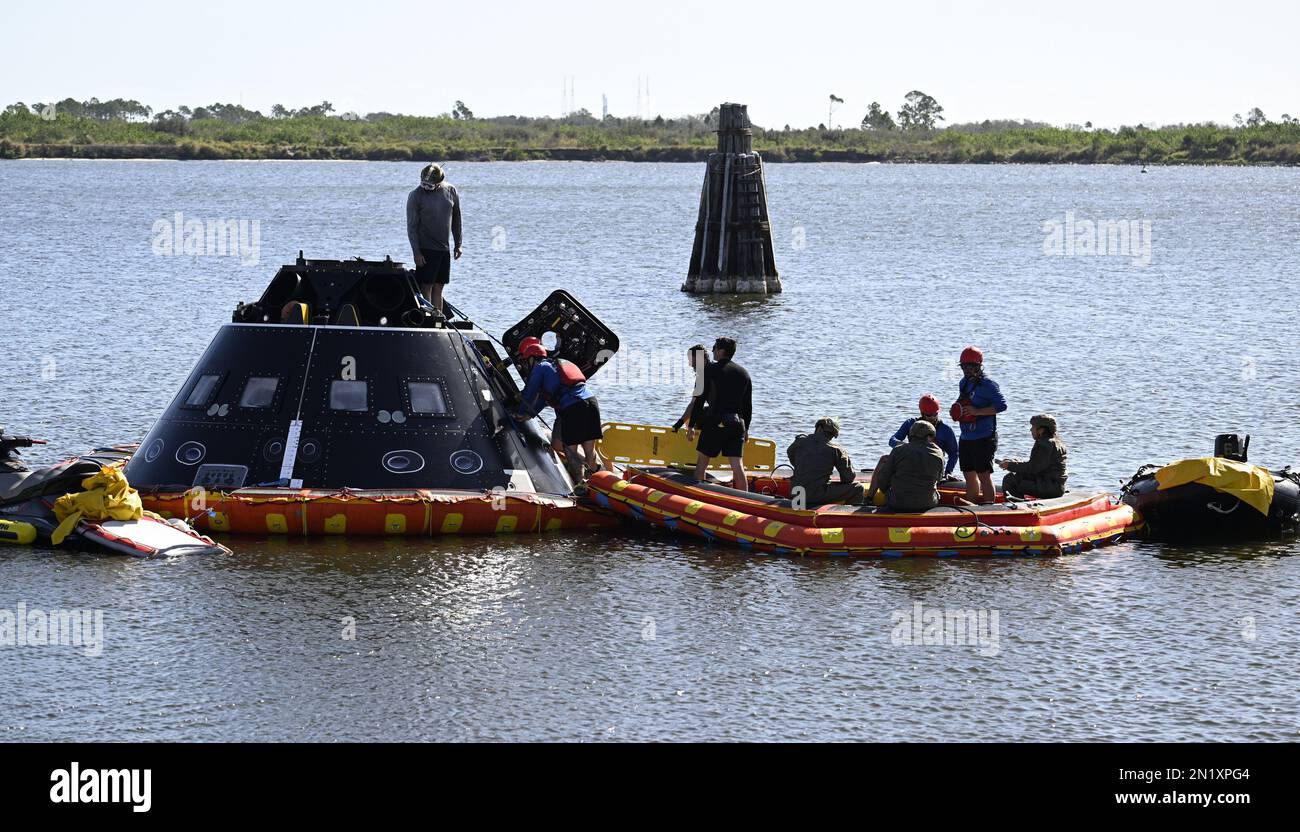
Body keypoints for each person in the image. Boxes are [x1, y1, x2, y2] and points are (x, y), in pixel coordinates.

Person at [514, 338, 603, 482]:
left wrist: (520, 412)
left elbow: (530, 393)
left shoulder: (540, 367)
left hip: (573, 407)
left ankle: (581, 484)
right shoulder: (555, 366)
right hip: (591, 402)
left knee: (570, 450)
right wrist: (529, 415)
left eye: (526, 361)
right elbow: (545, 398)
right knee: (583, 449)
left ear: (532, 359)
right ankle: (597, 472)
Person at [692, 337, 752, 493]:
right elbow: (747, 406)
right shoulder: (743, 373)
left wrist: (691, 424)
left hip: (715, 423)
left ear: (721, 351)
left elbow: (700, 400)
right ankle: (745, 500)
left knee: (702, 464)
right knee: (737, 466)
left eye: (714, 348)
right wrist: (746, 429)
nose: (712, 351)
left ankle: (698, 497)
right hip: (736, 424)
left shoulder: (709, 371)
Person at [405, 163, 463, 316]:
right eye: (423, 184)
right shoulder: (416, 195)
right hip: (426, 248)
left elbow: (456, 219)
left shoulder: (451, 190)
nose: (425, 188)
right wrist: (416, 252)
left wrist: (458, 244)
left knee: (439, 286)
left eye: (429, 186)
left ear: (439, 183)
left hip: (444, 249)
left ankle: (439, 319)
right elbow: (412, 227)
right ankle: (428, 316)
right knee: (426, 285)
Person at [953, 346, 1007, 504]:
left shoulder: (989, 385)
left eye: (970, 367)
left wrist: (978, 411)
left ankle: (989, 507)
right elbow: (962, 401)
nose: (966, 370)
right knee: (968, 473)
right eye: (964, 367)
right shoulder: (963, 383)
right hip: (966, 436)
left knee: (983, 474)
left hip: (984, 436)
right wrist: (957, 410)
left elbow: (1002, 406)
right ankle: (972, 506)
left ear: (978, 366)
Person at [866, 419, 946, 513]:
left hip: (897, 503)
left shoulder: (898, 450)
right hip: (928, 503)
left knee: (884, 462)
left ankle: (868, 499)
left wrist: (889, 489)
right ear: (930, 437)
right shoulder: (939, 453)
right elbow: (938, 479)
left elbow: (883, 481)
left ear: (911, 435)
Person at [786, 418, 866, 507]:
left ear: (818, 428)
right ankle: (848, 517)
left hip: (795, 491)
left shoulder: (799, 442)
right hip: (816, 494)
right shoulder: (835, 449)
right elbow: (849, 477)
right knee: (858, 488)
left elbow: (791, 455)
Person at [888, 394, 959, 477]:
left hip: (933, 469)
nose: (932, 418)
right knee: (885, 459)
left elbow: (954, 453)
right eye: (929, 415)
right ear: (922, 413)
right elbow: (892, 440)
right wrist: (906, 447)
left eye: (935, 414)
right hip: (912, 464)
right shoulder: (910, 424)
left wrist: (948, 472)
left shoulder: (946, 430)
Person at [999, 414, 1069, 499]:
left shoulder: (1044, 444)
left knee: (1010, 479)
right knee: (1018, 475)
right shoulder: (1056, 441)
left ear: (1041, 430)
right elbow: (1038, 464)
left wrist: (1010, 465)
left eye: (1033, 427)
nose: (1031, 429)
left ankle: (1016, 507)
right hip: (1054, 485)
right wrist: (1014, 462)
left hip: (1050, 488)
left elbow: (1033, 468)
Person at [671, 344, 710, 440]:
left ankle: (693, 437)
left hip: (718, 414)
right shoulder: (714, 368)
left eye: (691, 360)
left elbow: (695, 404)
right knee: (692, 415)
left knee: (690, 417)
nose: (690, 364)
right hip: (734, 415)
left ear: (698, 358)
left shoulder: (703, 375)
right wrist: (680, 423)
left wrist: (684, 424)